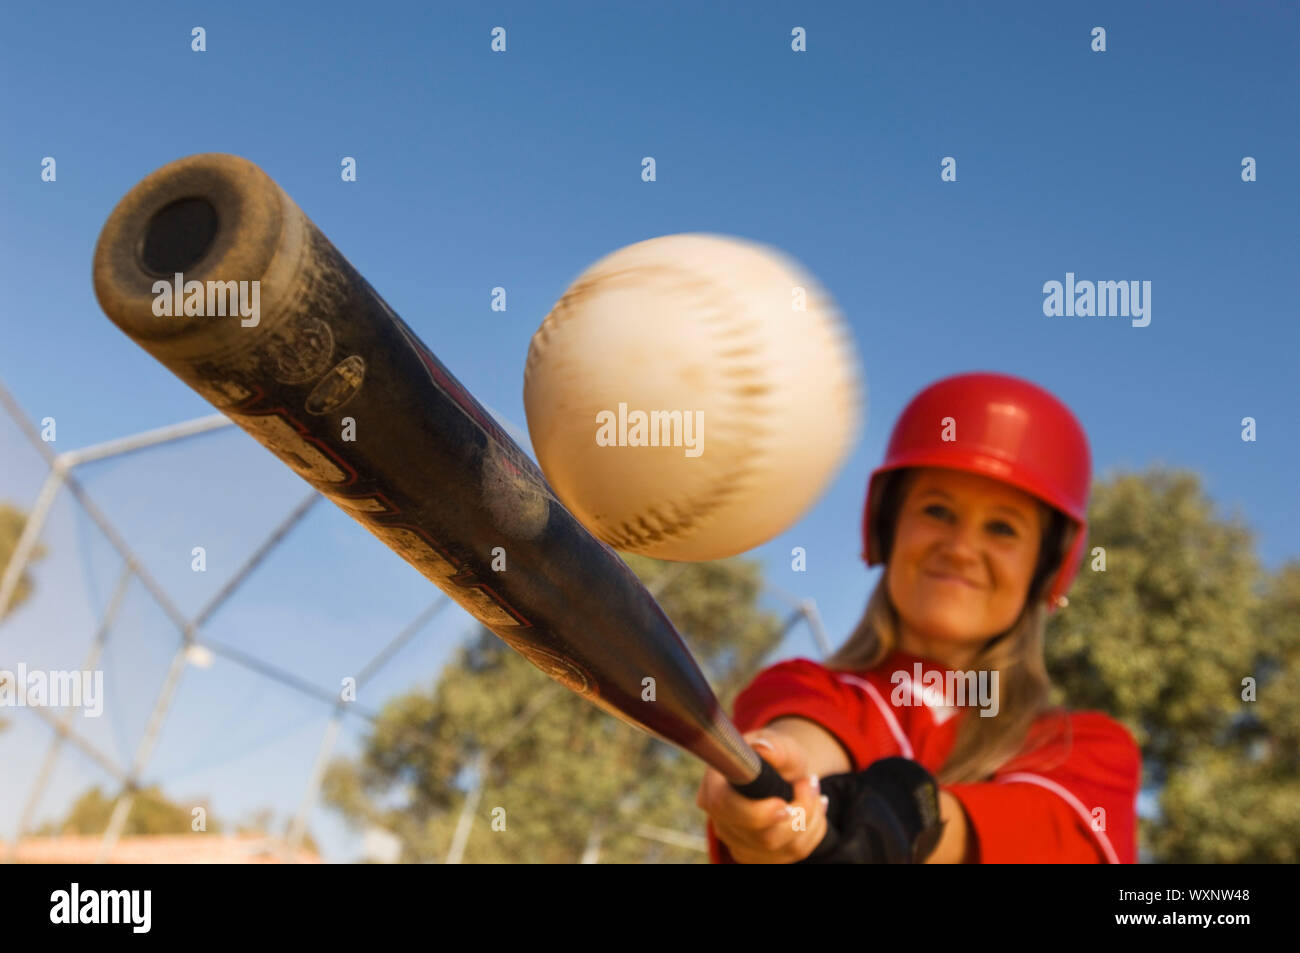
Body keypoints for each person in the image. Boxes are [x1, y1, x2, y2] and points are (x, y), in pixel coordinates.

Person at [697, 372, 1141, 864]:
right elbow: (802, 743)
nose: (960, 548)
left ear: (1044, 570)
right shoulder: (805, 688)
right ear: (889, 529)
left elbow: (1047, 838)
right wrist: (780, 793)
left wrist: (905, 823)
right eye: (937, 511)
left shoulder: (1084, 749)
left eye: (1002, 528)